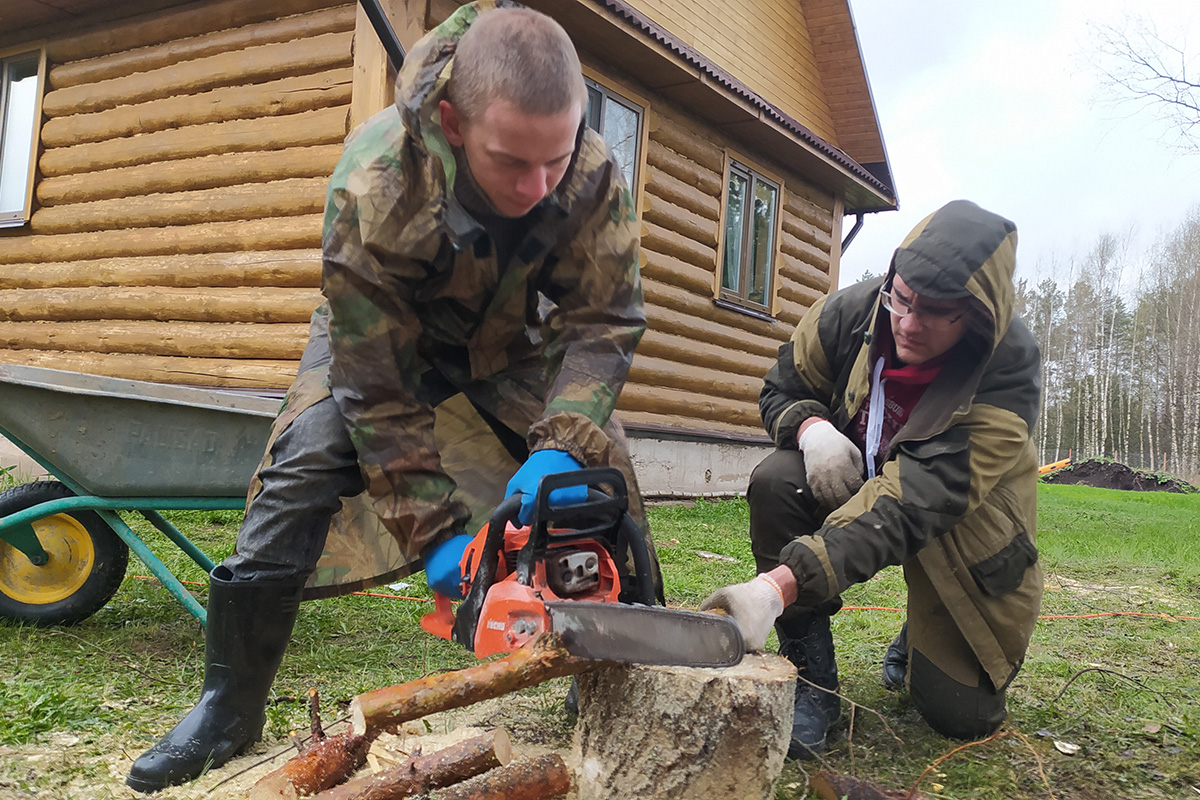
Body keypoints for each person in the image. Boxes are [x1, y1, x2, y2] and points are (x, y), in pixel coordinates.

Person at [126, 2, 662, 791]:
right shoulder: (375, 180)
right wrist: (436, 535)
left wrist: (565, 435)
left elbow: (606, 316)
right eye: (512, 161)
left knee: (602, 477)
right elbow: (374, 387)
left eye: (555, 158)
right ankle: (227, 706)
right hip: (380, 340)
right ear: (450, 120)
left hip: (510, 342)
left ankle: (618, 671)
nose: (539, 184)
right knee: (302, 464)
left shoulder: (583, 169)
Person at [702, 200, 1042, 759]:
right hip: (861, 477)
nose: (907, 324)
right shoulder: (852, 312)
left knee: (961, 715)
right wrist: (811, 430)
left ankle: (925, 630)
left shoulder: (1008, 372)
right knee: (777, 481)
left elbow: (916, 502)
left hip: (958, 520)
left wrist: (776, 586)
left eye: (935, 313)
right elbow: (778, 389)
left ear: (976, 314)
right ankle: (810, 680)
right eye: (902, 298)